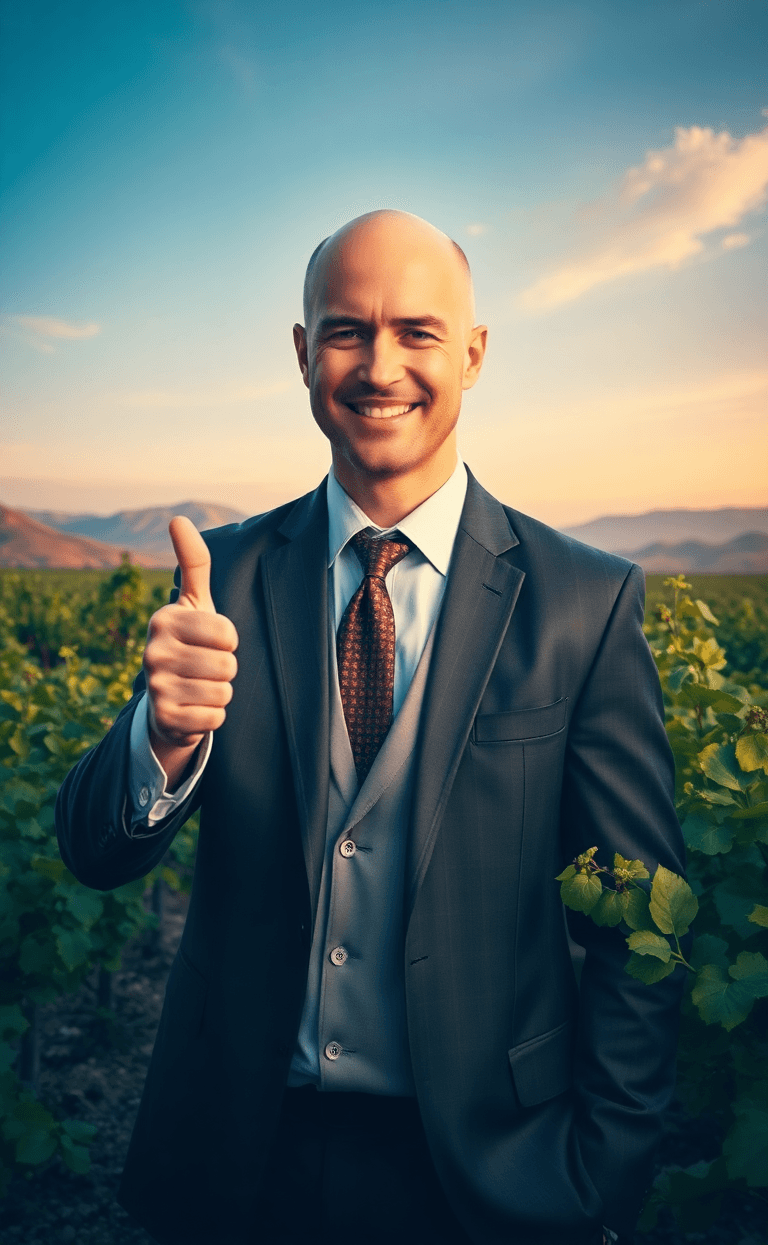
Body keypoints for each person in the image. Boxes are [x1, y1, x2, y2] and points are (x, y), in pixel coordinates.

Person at [56, 210, 686, 1245]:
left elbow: (637, 923)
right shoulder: (222, 576)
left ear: (475, 355)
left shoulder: (586, 599)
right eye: (346, 330)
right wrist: (162, 741)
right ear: (303, 354)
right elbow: (91, 852)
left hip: (489, 1173)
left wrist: (602, 1175)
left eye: (419, 333)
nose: (379, 364)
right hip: (238, 1157)